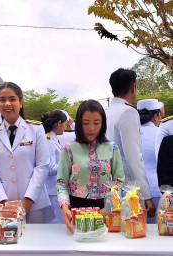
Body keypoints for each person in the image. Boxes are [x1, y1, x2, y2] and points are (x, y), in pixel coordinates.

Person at [0, 82, 51, 223]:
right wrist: (3, 201)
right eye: (2, 100)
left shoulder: (36, 129)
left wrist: (28, 200)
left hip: (35, 204)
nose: (7, 104)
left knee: (37, 243)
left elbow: (42, 166)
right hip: (3, 204)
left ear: (20, 103)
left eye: (12, 99)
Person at [57, 100, 125, 233]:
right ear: (79, 123)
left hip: (105, 207)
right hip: (77, 207)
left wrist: (109, 206)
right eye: (86, 123)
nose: (91, 128)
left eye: (96, 123)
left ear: (103, 124)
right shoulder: (69, 149)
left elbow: (119, 181)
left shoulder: (112, 148)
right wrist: (65, 207)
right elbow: (61, 183)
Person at [106, 68, 155, 217]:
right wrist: (147, 196)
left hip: (109, 187)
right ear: (133, 88)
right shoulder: (128, 112)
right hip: (127, 189)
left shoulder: (106, 112)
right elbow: (134, 158)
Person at [137, 99, 163, 222]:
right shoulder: (161, 134)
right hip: (160, 191)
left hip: (134, 192)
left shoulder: (132, 134)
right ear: (156, 116)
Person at [41, 110, 67, 223]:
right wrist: (67, 164)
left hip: (55, 189)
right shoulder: (49, 140)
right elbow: (49, 168)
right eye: (65, 124)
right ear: (59, 123)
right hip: (51, 190)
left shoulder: (54, 138)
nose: (66, 127)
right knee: (55, 223)